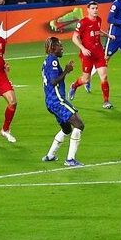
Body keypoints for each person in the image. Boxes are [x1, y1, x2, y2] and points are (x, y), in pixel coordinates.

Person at [40, 37, 86, 167]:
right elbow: (54, 81)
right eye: (60, 46)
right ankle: (70, 160)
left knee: (66, 129)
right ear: (53, 48)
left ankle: (50, 155)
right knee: (79, 124)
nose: (62, 48)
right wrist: (66, 71)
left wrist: (65, 70)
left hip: (50, 100)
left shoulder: (47, 61)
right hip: (57, 100)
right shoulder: (53, 61)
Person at [68, 1, 113, 109]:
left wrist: (107, 35)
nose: (95, 10)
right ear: (88, 10)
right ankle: (74, 86)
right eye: (93, 8)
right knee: (85, 79)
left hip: (98, 52)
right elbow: (74, 37)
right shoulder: (83, 22)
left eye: (96, 8)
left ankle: (106, 101)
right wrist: (82, 49)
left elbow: (97, 31)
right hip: (87, 54)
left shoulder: (98, 20)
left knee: (104, 76)